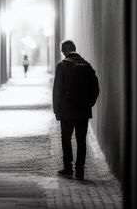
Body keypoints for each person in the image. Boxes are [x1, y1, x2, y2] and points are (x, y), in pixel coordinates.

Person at [52, 40, 99, 180]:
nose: (62, 54)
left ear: (66, 49)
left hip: (66, 111)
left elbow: (57, 90)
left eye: (62, 51)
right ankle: (80, 171)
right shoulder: (86, 65)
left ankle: (68, 168)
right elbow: (96, 88)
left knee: (66, 139)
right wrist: (89, 104)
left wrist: (56, 109)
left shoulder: (62, 66)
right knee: (81, 140)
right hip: (83, 110)